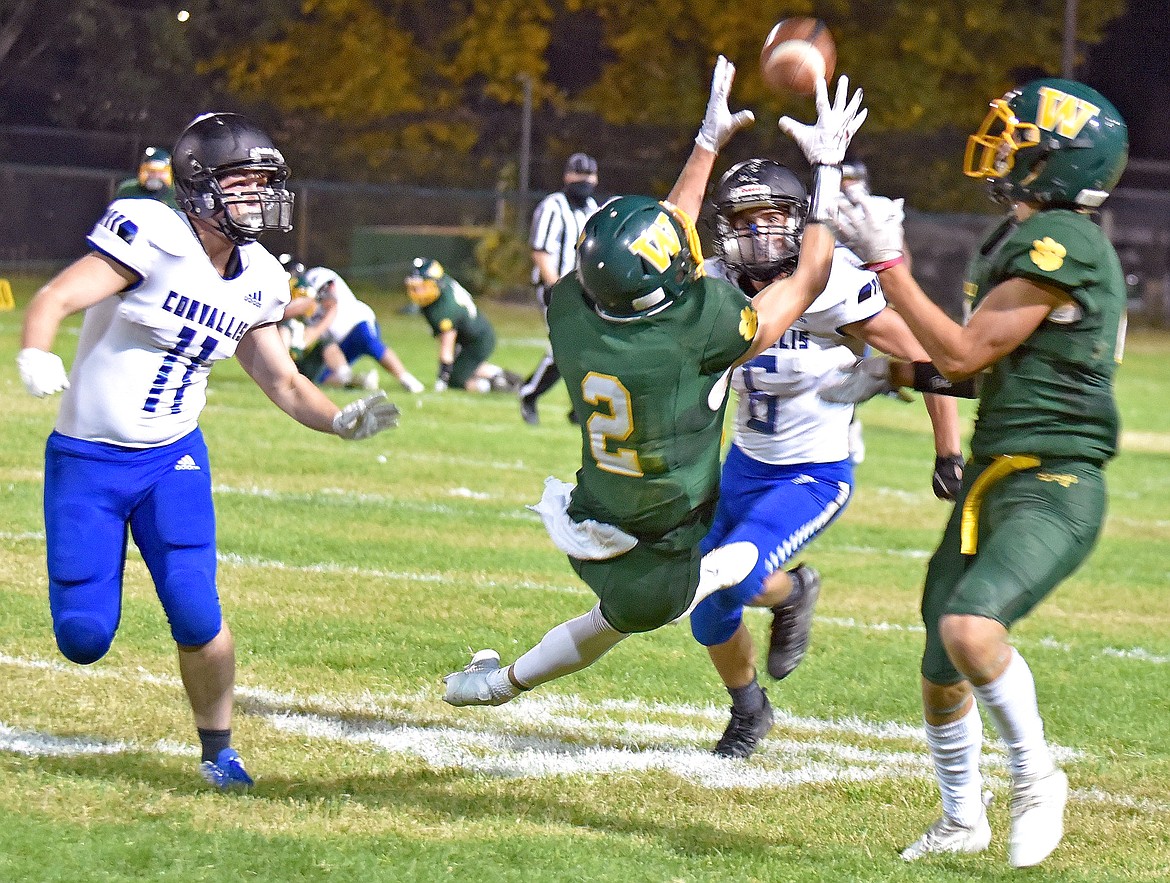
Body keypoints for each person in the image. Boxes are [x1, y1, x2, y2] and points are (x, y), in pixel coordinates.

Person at [442, 59, 866, 708]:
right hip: (671, 528)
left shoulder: (569, 310)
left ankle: (496, 684)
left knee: (612, 618)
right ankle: (498, 685)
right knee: (669, 599)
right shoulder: (707, 329)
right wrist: (827, 171)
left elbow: (669, 234)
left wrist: (706, 142)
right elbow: (807, 276)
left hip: (597, 516)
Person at [16, 112, 400, 791]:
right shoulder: (153, 235)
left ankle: (218, 750)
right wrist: (34, 349)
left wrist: (341, 419)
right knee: (83, 634)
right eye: (243, 182)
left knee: (197, 609)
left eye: (264, 183)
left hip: (171, 459)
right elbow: (54, 296)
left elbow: (283, 380)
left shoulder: (260, 277)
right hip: (87, 462)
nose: (258, 196)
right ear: (198, 185)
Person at [826, 78, 1129, 868]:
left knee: (970, 628)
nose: (1003, 145)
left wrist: (888, 264)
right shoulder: (1019, 238)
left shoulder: (1062, 241)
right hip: (998, 475)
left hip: (1053, 481)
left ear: (1058, 163)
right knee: (939, 664)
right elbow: (979, 368)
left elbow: (962, 352)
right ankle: (963, 819)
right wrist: (892, 374)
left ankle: (1038, 779)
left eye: (1019, 138)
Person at [691, 158, 963, 760]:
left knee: (733, 577)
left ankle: (786, 595)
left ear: (796, 221)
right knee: (704, 607)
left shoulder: (832, 282)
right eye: (743, 219)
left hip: (813, 473)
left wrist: (948, 449)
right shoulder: (713, 284)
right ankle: (750, 706)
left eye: (771, 217)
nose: (758, 233)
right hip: (744, 464)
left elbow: (924, 360)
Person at [518, 152, 600, 424]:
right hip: (554, 287)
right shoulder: (552, 206)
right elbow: (540, 250)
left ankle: (580, 408)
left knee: (587, 347)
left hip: (584, 290)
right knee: (564, 346)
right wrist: (554, 284)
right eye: (579, 175)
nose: (584, 181)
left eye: (589, 176)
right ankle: (529, 394)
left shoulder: (592, 209)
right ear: (567, 176)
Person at [303, 264, 426, 394]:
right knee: (323, 378)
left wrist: (315, 326)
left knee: (370, 342)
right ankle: (360, 381)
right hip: (338, 341)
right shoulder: (291, 297)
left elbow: (331, 302)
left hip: (356, 322)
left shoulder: (316, 276)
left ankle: (406, 378)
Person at [404, 257, 521, 393]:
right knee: (463, 367)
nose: (418, 292)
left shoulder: (445, 309)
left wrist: (442, 380)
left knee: (456, 380)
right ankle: (502, 376)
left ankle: (497, 385)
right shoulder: (442, 286)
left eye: (422, 287)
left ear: (435, 283)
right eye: (415, 287)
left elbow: (446, 349)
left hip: (478, 340)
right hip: (472, 334)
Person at [113, 146, 179, 209]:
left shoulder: (178, 194)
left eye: (160, 172)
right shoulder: (127, 190)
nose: (155, 176)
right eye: (151, 171)